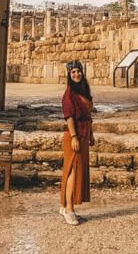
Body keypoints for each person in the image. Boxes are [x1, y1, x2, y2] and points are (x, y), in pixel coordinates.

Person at [59, 60, 94, 226]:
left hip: (84, 134)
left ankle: (64, 205)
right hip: (74, 136)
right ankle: (69, 210)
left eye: (78, 71)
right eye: (73, 72)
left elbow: (88, 116)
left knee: (75, 170)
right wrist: (74, 137)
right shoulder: (69, 95)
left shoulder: (84, 92)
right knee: (72, 170)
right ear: (69, 75)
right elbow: (69, 117)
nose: (76, 75)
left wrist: (91, 136)